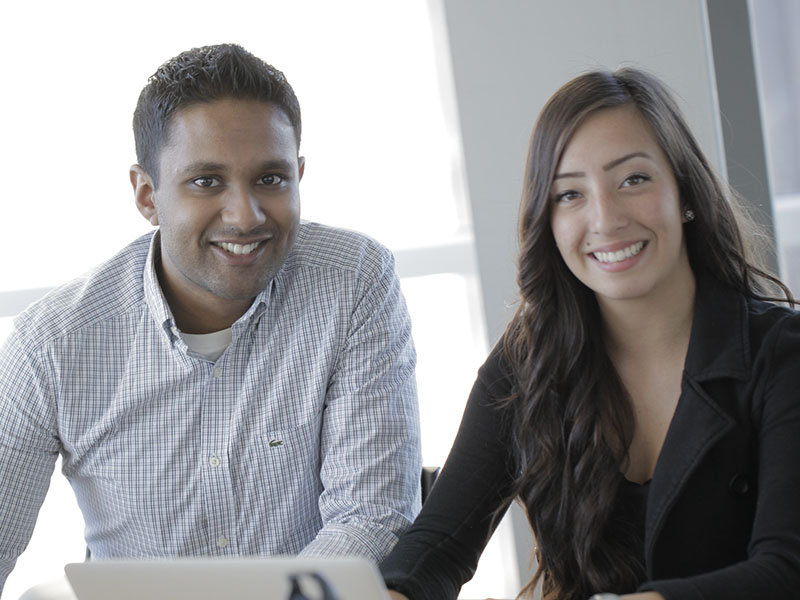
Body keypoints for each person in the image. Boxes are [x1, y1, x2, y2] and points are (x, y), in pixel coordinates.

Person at [0, 43, 421, 594]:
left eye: (270, 179)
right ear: (147, 195)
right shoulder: (51, 345)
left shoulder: (355, 281)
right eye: (206, 181)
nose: (245, 216)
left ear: (298, 175)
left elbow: (371, 517)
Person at [380, 67, 800, 600]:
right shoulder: (528, 359)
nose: (605, 219)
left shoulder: (780, 353)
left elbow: (785, 570)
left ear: (685, 192)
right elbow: (440, 545)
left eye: (633, 180)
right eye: (570, 195)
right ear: (548, 221)